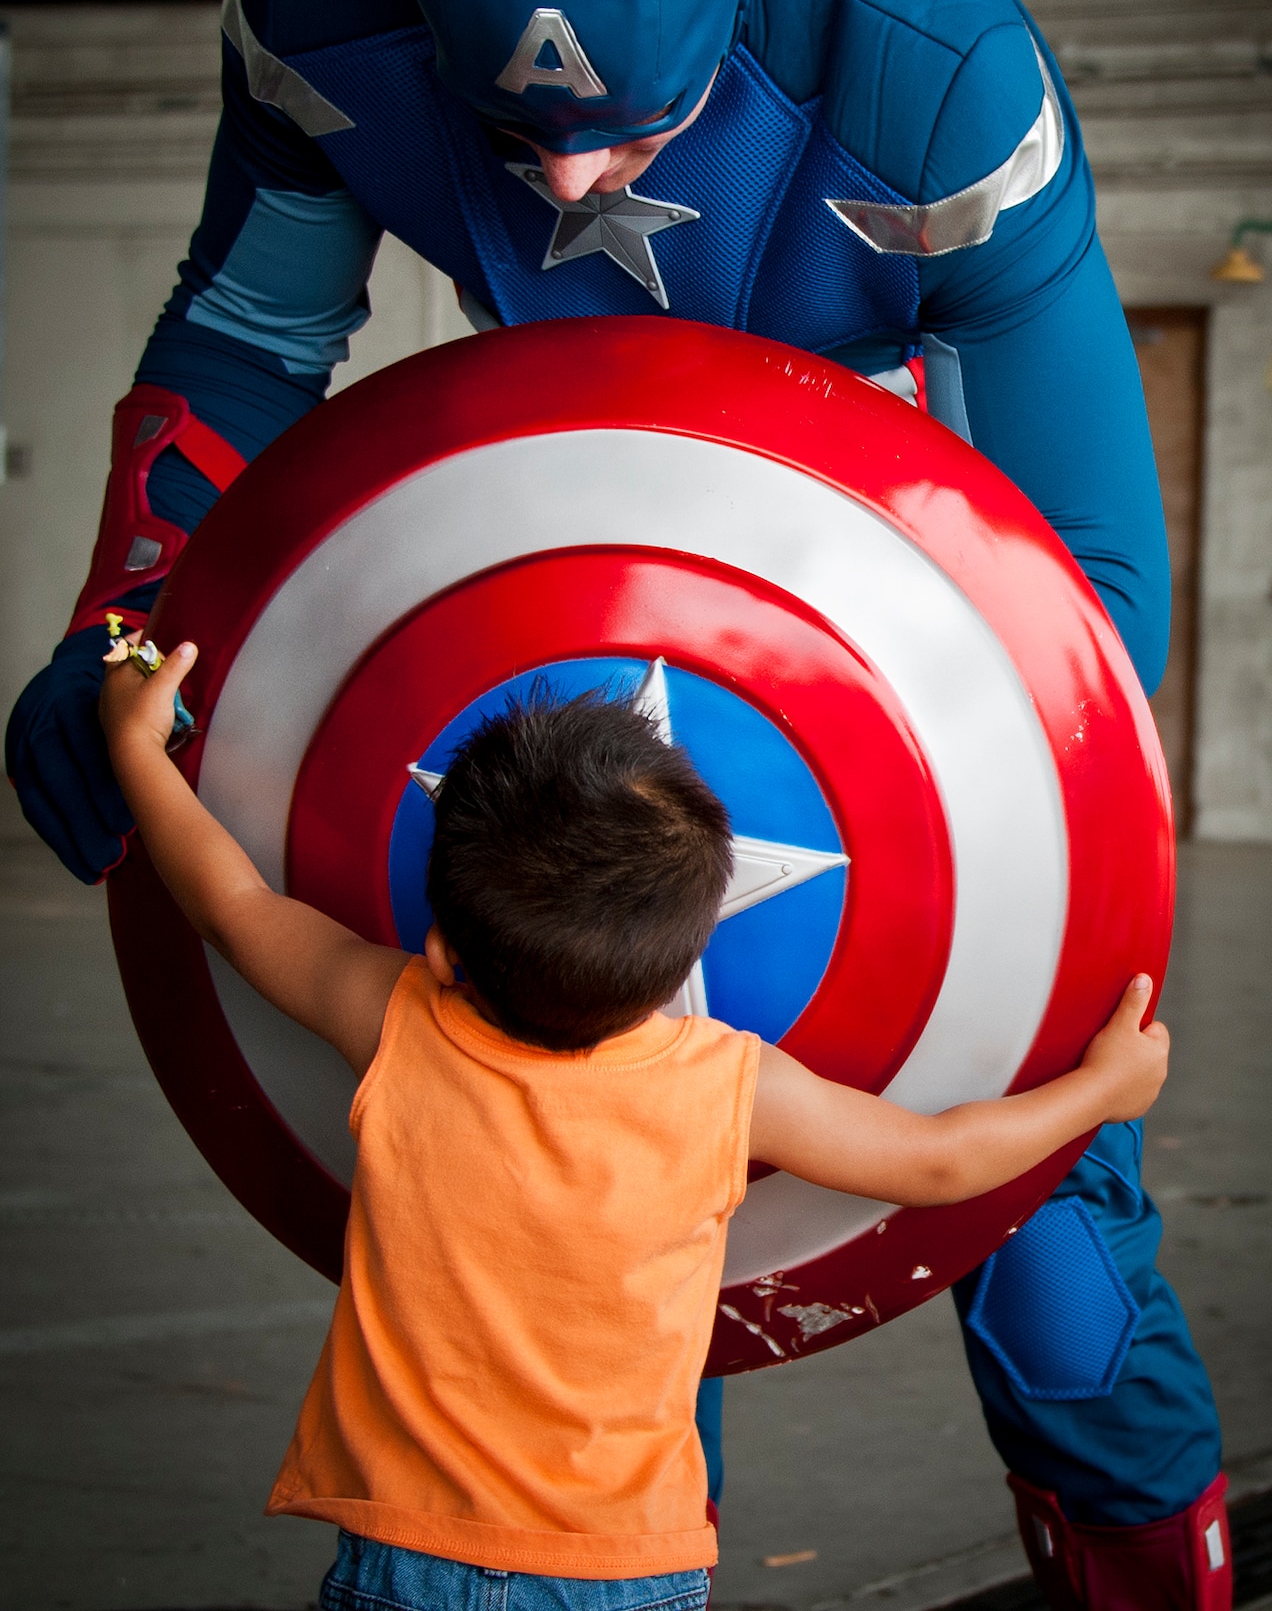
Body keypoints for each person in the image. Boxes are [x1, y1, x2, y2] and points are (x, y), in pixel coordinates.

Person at [8, 0, 1229, 1607]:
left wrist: (1059, 902)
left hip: (877, 643)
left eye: (627, 127)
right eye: (520, 132)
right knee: (575, 1270)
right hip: (560, 614)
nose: (569, 184)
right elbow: (247, 344)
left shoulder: (917, 58)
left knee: (1058, 1279)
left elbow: (1077, 592)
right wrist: (117, 620)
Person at [100, 641, 1170, 1611]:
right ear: (685, 955)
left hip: (403, 1555)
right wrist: (1101, 1090)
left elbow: (229, 904)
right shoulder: (725, 1082)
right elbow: (938, 1160)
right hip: (622, 1571)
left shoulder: (397, 1019)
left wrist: (135, 746)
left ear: (440, 947)